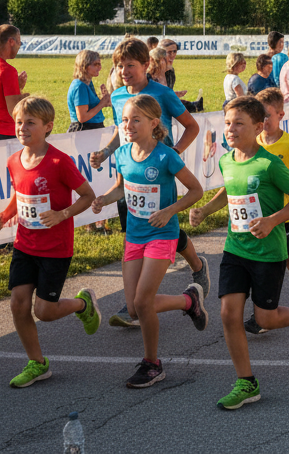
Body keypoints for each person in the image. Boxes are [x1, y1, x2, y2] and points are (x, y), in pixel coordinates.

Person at [188, 95, 289, 409]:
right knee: (229, 314)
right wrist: (205, 210)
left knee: (266, 317)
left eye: (239, 123)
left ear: (258, 127)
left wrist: (273, 220)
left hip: (268, 253)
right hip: (235, 249)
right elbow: (228, 191)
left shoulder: (270, 164)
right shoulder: (228, 160)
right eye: (228, 123)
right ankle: (246, 382)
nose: (230, 129)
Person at [88, 94, 207, 387]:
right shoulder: (123, 153)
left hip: (161, 234)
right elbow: (122, 188)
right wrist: (105, 198)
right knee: (132, 308)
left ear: (154, 123)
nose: (128, 125)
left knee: (143, 301)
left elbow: (195, 190)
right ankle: (188, 300)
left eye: (135, 119)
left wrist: (169, 211)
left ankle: (152, 364)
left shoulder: (167, 155)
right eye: (125, 119)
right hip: (134, 235)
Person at [90, 38, 206, 326]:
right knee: (138, 227)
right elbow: (122, 130)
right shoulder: (118, 96)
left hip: (161, 170)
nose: (124, 71)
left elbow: (192, 126)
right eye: (119, 66)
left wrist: (173, 153)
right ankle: (137, 302)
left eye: (130, 65)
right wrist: (106, 152)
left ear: (146, 65)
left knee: (164, 227)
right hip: (131, 169)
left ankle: (194, 268)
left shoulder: (162, 93)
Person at [0, 97, 100, 388]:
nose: (22, 128)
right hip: (25, 244)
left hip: (55, 248)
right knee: (18, 304)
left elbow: (87, 196)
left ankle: (82, 304)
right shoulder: (14, 160)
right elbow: (19, 195)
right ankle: (37, 363)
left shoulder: (58, 162)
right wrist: (4, 215)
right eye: (19, 122)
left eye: (30, 123)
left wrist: (63, 214)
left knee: (45, 312)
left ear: (48, 127)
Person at [242, 87, 289, 332]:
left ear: (281, 115)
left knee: (282, 255)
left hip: (284, 211)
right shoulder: (255, 143)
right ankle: (265, 309)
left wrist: (287, 175)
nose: (264, 122)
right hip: (258, 213)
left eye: (268, 116)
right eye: (260, 117)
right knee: (263, 259)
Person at [67, 49, 110, 131]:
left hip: (91, 128)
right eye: (96, 64)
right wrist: (102, 103)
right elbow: (82, 117)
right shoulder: (80, 87)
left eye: (99, 64)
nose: (99, 68)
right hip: (84, 130)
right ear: (84, 66)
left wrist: (106, 101)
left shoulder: (88, 83)